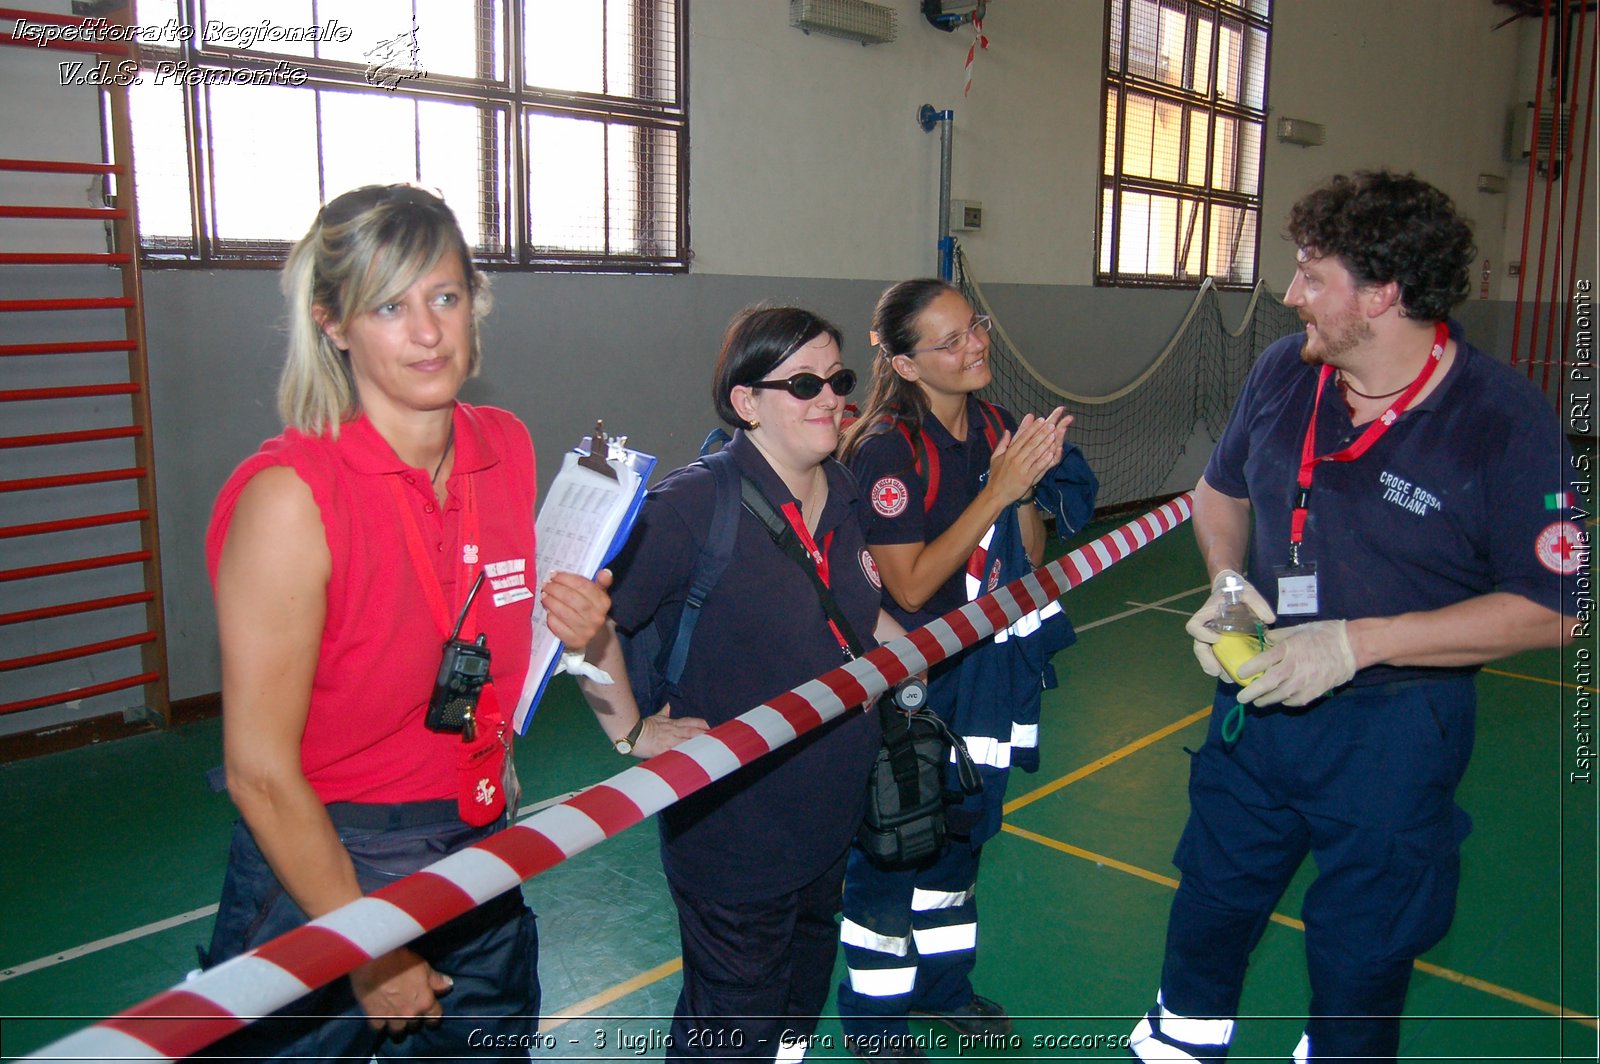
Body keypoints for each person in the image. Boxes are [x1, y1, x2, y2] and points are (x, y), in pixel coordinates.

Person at [1129, 170, 1584, 1063]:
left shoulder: (1503, 419)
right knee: (1211, 905)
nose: (1291, 294)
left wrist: (1355, 644)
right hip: (1253, 710)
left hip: (1395, 736)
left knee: (1364, 951)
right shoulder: (1281, 374)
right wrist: (1227, 585)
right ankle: (1181, 1042)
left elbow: (1554, 609)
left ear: (1382, 294)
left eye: (1311, 274)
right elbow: (1217, 496)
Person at [202, 184, 613, 1060]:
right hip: (330, 858)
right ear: (334, 324)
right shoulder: (291, 496)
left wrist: (567, 629)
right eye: (389, 306)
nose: (428, 333)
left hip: (478, 846)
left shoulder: (506, 444)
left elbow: (477, 630)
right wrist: (368, 943)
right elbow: (262, 774)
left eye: (446, 297)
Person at [574, 307, 904, 1063]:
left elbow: (858, 614)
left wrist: (916, 655)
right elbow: (591, 622)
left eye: (839, 380)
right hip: (737, 835)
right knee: (732, 1031)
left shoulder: (843, 489)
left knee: (795, 1008)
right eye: (805, 384)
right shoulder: (694, 508)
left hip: (828, 820)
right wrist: (631, 731)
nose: (831, 398)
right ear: (746, 401)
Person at [835, 279, 1089, 1061]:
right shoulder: (884, 450)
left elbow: (1031, 557)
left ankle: (943, 991)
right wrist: (1000, 489)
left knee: (958, 848)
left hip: (985, 684)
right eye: (948, 342)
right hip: (909, 691)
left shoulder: (997, 425)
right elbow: (910, 584)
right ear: (906, 366)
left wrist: (1024, 486)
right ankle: (874, 1025)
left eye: (972, 327)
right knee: (892, 851)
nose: (975, 345)